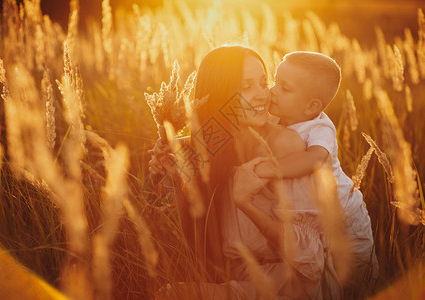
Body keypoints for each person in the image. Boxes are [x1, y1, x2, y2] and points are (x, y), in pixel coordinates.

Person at [149, 45, 341, 299]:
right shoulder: (212, 145)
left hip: (291, 284)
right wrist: (178, 177)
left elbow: (310, 255)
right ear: (219, 96)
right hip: (235, 276)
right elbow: (197, 234)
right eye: (246, 87)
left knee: (171, 296)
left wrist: (246, 203)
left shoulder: (285, 146)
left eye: (263, 82)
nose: (263, 95)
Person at [254, 51, 379, 288]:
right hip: (314, 220)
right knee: (325, 273)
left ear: (312, 106)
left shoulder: (320, 127)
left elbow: (314, 159)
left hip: (345, 216)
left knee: (360, 274)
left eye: (284, 88)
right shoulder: (278, 118)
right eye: (275, 82)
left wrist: (268, 169)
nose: (272, 91)